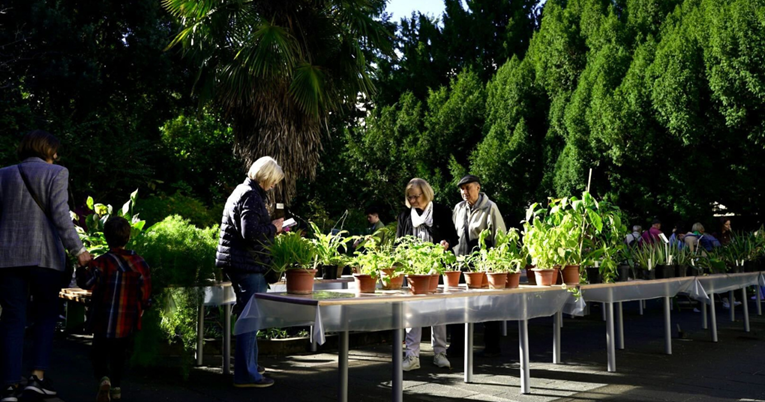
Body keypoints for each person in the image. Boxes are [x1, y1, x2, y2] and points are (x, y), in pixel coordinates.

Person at [0, 130, 92, 402]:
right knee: (45, 316)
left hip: (7, 259)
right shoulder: (57, 173)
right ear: (47, 151)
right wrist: (79, 250)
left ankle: (9, 387)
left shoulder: (3, 174)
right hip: (44, 258)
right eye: (55, 153)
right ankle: (36, 379)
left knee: (12, 320)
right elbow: (61, 216)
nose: (57, 157)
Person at [216, 156, 284, 388]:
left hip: (239, 263)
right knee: (250, 320)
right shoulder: (250, 195)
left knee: (248, 317)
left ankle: (250, 366)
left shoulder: (242, 191)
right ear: (265, 177)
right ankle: (247, 374)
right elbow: (250, 232)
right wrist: (273, 228)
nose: (274, 185)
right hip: (247, 265)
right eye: (273, 181)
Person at [76, 217, 151, 402]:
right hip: (126, 323)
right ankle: (116, 388)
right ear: (128, 237)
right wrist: (142, 308)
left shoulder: (101, 263)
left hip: (103, 321)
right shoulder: (140, 264)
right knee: (119, 356)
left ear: (106, 237)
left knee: (98, 354)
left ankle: (104, 379)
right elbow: (146, 294)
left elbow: (86, 283)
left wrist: (80, 268)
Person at [395, 178, 457, 372]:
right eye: (409, 197)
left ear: (426, 193)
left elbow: (453, 237)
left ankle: (440, 353)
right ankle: (412, 355)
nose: (412, 200)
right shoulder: (405, 215)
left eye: (415, 196)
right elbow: (398, 243)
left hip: (436, 268)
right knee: (412, 312)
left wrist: (446, 244)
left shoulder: (442, 211)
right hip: (414, 269)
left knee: (438, 311)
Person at [448, 174, 506, 358]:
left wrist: (497, 263)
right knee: (457, 304)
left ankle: (492, 346)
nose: (464, 192)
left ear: (478, 188)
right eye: (462, 189)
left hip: (481, 258)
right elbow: (452, 233)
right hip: (459, 258)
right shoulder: (458, 208)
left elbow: (500, 236)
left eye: (468, 188)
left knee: (487, 303)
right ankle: (457, 345)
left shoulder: (490, 207)